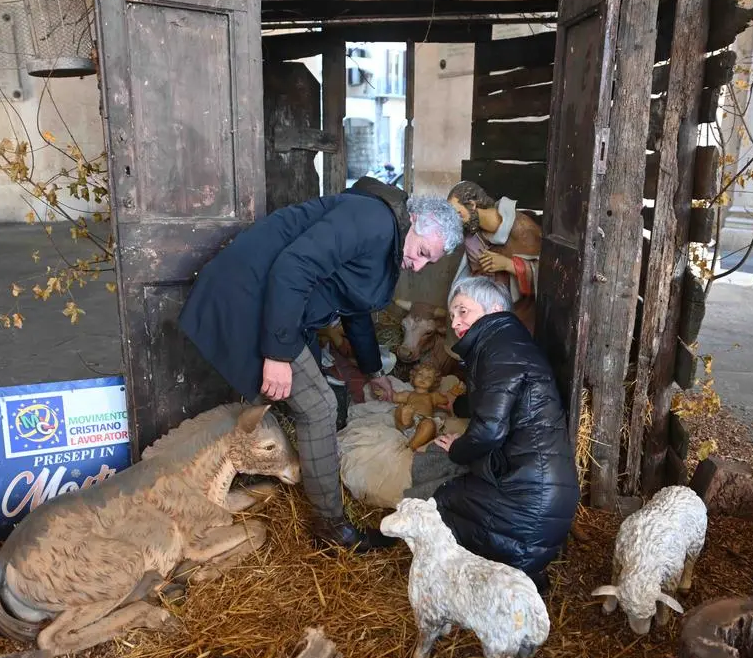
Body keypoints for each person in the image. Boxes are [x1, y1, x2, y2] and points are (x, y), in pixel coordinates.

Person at [178, 176, 464, 552]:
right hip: (250, 300)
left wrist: (372, 370)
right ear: (414, 221)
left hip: (283, 307)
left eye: (430, 260)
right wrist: (278, 354)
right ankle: (331, 527)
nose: (420, 265)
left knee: (315, 395)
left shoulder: (388, 236)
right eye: (424, 252)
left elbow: (355, 305)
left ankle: (294, 485)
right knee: (318, 407)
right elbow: (293, 268)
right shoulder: (371, 220)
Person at [431, 276, 579, 593]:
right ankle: (525, 575)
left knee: (440, 501)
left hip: (527, 507)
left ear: (495, 308)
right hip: (546, 502)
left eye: (463, 311)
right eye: (452, 315)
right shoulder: (507, 344)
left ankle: (462, 588)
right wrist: (459, 405)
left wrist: (456, 448)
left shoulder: (500, 349)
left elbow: (488, 431)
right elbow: (498, 396)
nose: (455, 323)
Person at [446, 181, 541, 337]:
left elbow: (548, 276)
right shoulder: (472, 236)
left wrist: (509, 265)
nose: (456, 222)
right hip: (485, 315)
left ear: (472, 205)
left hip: (521, 316)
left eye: (458, 214)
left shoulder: (522, 228)